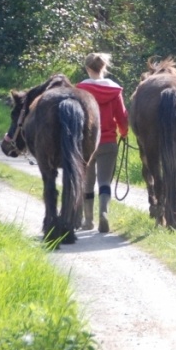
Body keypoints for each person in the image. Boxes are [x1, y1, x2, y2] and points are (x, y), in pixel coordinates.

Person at [76, 52, 129, 233]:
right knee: (105, 181)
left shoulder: (80, 90)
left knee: (87, 181)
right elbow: (122, 117)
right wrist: (124, 132)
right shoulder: (114, 90)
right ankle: (104, 214)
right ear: (103, 68)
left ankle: (88, 220)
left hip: (86, 144)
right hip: (108, 141)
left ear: (88, 68)